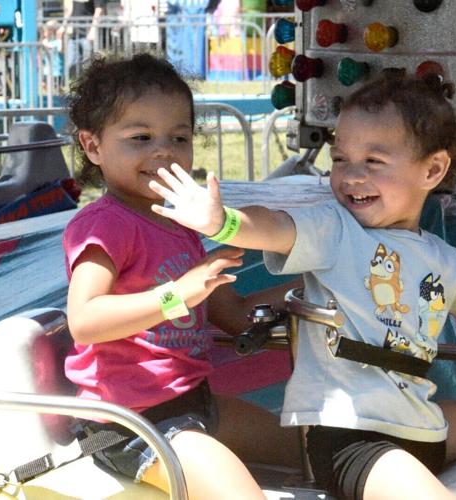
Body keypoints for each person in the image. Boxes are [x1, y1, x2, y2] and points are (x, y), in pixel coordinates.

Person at [149, 72, 456, 500]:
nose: (350, 176)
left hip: (418, 422)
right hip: (352, 438)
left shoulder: (442, 259)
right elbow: (274, 225)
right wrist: (225, 221)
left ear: (432, 170)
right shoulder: (334, 232)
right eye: (340, 159)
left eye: (374, 161)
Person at [63, 53, 300, 498]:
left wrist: (311, 288)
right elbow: (85, 320)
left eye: (179, 137)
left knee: (309, 451)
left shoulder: (178, 225)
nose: (163, 151)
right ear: (93, 146)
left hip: (193, 403)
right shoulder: (106, 225)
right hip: (131, 425)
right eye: (141, 137)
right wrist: (178, 294)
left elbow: (236, 316)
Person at [59, 0, 106, 79]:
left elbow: (99, 10)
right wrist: (63, 26)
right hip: (74, 35)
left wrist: (93, 30)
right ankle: (74, 87)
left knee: (88, 65)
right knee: (71, 64)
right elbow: (69, 10)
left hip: (87, 35)